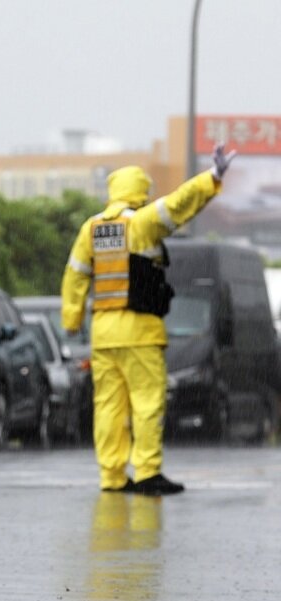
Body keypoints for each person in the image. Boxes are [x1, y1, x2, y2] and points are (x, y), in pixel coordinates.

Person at [61, 143, 235, 495]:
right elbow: (178, 205)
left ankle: (112, 476)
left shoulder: (91, 229)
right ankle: (147, 472)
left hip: (104, 334)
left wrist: (72, 318)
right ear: (139, 193)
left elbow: (75, 275)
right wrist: (212, 177)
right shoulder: (140, 223)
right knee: (146, 403)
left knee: (108, 407)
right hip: (139, 331)